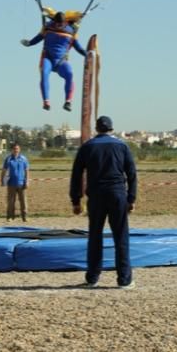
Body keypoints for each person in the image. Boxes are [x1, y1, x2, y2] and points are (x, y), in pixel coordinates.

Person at [69, 115, 137, 289]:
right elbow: (131, 173)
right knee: (121, 236)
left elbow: (76, 174)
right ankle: (124, 279)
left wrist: (76, 200)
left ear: (97, 129)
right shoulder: (122, 146)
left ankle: (92, 278)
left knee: (95, 236)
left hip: (96, 195)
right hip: (117, 194)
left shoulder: (87, 147)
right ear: (111, 129)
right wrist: (131, 198)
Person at [21, 11, 87, 111]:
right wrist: (29, 43)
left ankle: (68, 102)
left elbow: (78, 47)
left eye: (60, 23)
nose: (58, 25)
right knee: (44, 73)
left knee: (69, 74)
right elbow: (38, 38)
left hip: (61, 61)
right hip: (48, 58)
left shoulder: (71, 31)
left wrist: (87, 54)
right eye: (56, 23)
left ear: (65, 22)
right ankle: (46, 102)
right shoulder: (48, 27)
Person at [1, 143, 30, 222]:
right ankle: (10, 217)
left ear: (19, 149)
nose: (16, 150)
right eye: (14, 149)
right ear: (12, 150)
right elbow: (4, 171)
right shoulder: (8, 159)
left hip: (22, 183)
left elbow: (26, 170)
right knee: (11, 201)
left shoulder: (24, 159)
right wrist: (2, 181)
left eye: (17, 149)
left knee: (23, 201)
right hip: (11, 184)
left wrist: (27, 181)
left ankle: (24, 217)